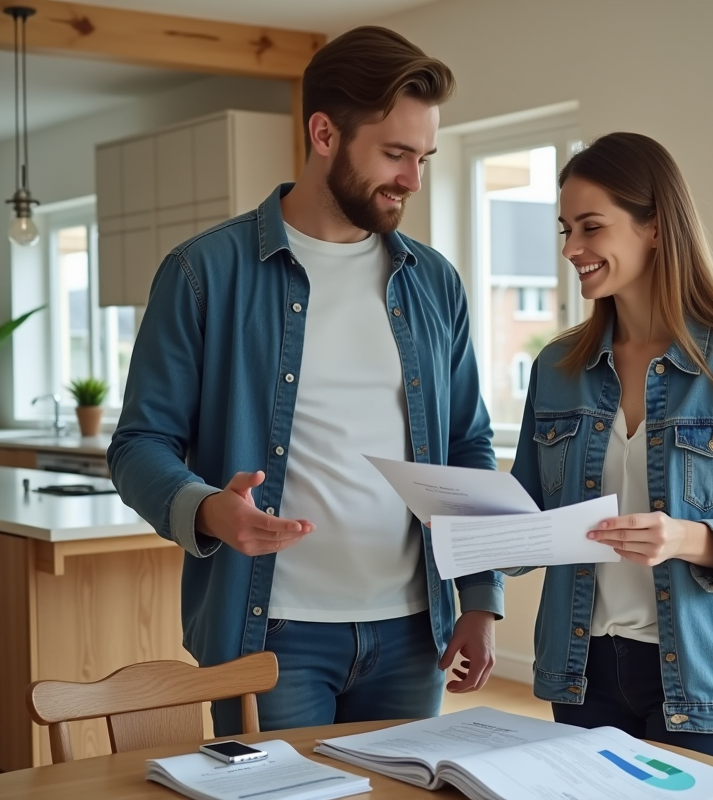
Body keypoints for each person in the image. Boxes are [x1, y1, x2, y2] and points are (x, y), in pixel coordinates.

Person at [107, 26, 502, 736]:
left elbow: (467, 446)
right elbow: (138, 443)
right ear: (324, 133)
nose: (413, 180)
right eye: (394, 154)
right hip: (269, 637)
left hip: (414, 635)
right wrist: (206, 509)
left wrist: (480, 597)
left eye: (424, 157)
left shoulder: (434, 283)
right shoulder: (205, 274)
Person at [509, 132, 713, 765]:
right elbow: (528, 515)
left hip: (703, 674)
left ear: (653, 227)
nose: (573, 249)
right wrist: (467, 524)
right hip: (581, 665)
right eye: (565, 230)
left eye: (591, 227)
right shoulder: (558, 367)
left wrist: (685, 538)